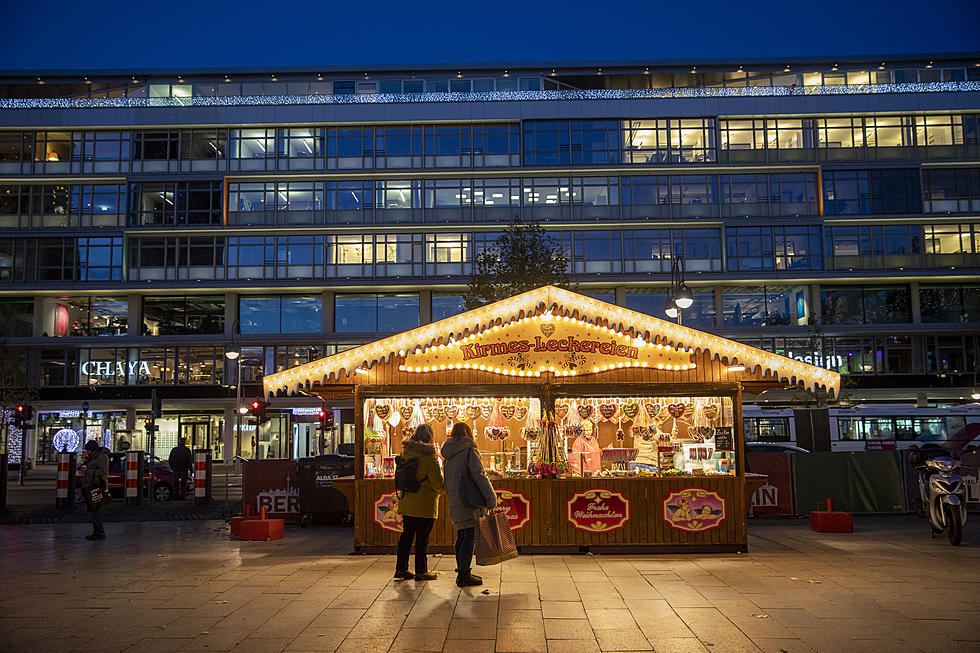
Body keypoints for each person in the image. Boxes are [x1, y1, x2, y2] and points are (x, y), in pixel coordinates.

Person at [442, 422, 496, 587]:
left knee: (462, 535)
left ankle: (461, 571)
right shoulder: (469, 451)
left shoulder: (448, 455)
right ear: (468, 434)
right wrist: (491, 498)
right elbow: (479, 476)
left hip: (455, 499)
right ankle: (464, 575)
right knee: (469, 535)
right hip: (469, 500)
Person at [394, 424, 445, 581]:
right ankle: (421, 571)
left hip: (408, 501)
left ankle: (401, 569)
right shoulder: (430, 457)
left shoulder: (406, 452)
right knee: (422, 538)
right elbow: (437, 483)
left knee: (407, 536)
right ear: (430, 437)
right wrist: (443, 488)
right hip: (425, 503)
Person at [82, 439, 109, 540]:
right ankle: (97, 531)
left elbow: (103, 471)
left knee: (95, 510)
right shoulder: (93, 457)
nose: (87, 452)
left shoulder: (101, 457)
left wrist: (88, 470)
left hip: (96, 486)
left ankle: (99, 532)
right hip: (90, 485)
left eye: (88, 450)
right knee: (93, 510)